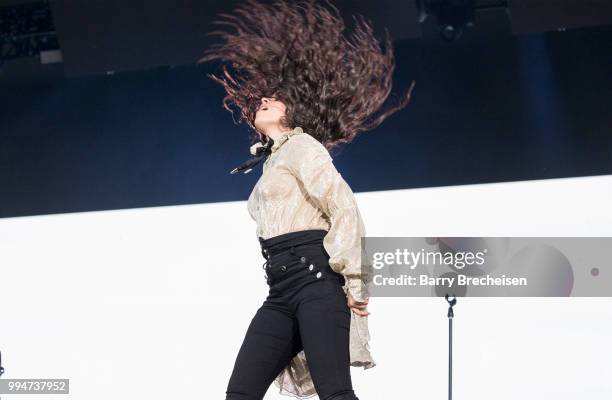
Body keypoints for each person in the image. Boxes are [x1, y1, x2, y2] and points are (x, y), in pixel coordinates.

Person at [198, 1, 415, 399]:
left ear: (291, 112)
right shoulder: (272, 159)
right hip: (280, 289)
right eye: (263, 99)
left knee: (335, 393)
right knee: (240, 392)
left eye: (275, 99)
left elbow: (343, 206)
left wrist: (356, 282)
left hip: (316, 281)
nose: (264, 100)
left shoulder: (301, 145)